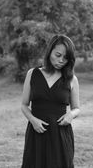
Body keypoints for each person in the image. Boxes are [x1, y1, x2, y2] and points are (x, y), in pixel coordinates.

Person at [21, 34, 80, 168]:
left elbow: (77, 108)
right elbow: (24, 105)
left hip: (60, 135)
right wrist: (33, 120)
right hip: (36, 133)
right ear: (50, 51)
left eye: (66, 58)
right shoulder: (32, 74)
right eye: (58, 55)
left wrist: (70, 115)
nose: (61, 61)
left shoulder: (71, 79)